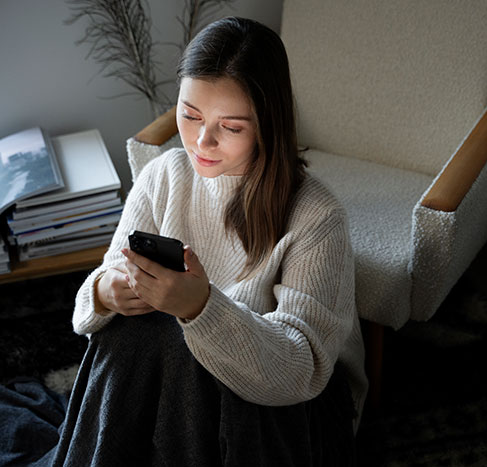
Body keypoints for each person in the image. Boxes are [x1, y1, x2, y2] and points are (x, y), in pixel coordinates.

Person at [42, 16, 367, 466]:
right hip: (179, 388)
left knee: (178, 341)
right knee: (131, 332)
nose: (201, 141)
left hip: (289, 409)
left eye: (230, 127)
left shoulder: (317, 217)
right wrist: (104, 292)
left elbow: (301, 372)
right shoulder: (164, 177)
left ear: (268, 124)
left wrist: (202, 309)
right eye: (190, 115)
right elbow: (87, 313)